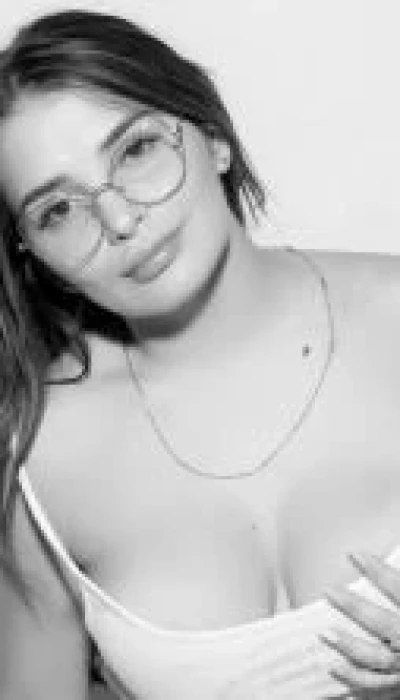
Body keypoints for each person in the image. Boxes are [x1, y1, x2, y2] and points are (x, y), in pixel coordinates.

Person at [1, 8, 400, 699]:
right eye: (57, 210)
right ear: (33, 256)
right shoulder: (38, 458)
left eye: (135, 150)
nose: (121, 220)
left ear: (213, 136)